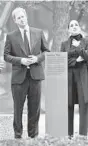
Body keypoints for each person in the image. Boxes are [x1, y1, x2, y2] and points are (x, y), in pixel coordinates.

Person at [4, 7, 49, 139]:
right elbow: (6, 56)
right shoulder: (11, 36)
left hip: (35, 76)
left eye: (22, 16)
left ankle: (33, 136)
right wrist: (21, 61)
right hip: (19, 78)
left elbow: (46, 51)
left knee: (35, 109)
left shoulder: (39, 32)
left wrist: (37, 58)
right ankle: (18, 136)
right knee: (18, 108)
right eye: (18, 18)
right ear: (15, 21)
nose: (21, 19)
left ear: (26, 16)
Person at [60, 20, 88, 137]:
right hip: (69, 77)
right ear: (68, 30)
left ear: (79, 27)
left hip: (84, 77)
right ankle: (69, 135)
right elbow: (61, 60)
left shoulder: (87, 41)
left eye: (76, 25)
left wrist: (79, 48)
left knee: (84, 106)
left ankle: (83, 136)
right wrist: (76, 60)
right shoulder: (64, 44)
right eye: (71, 25)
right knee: (68, 105)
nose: (74, 27)